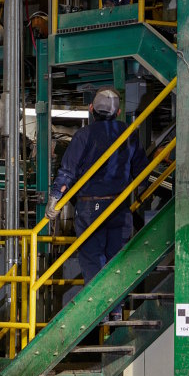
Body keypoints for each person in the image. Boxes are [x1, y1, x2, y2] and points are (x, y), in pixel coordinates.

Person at [48, 88, 139, 284]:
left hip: (90, 208)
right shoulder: (129, 133)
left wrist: (55, 200)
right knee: (117, 262)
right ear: (118, 112)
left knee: (93, 261)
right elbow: (141, 170)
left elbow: (67, 171)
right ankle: (116, 304)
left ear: (91, 109)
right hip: (119, 207)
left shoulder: (84, 135)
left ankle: (98, 304)